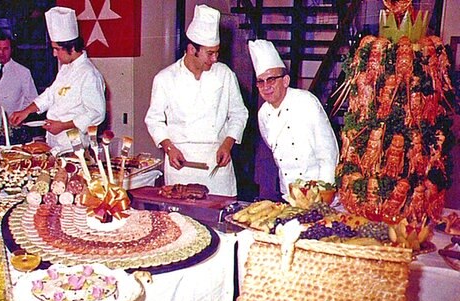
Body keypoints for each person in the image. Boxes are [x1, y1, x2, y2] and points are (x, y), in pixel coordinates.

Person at [145, 5, 248, 197]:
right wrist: (169, 147)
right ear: (192, 49)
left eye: (217, 52)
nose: (215, 58)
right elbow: (154, 119)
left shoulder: (225, 74)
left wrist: (228, 142)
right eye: (210, 53)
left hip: (217, 162)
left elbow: (239, 112)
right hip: (181, 164)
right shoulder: (165, 78)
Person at [248, 39, 339, 197]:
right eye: (260, 82)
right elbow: (273, 150)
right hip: (289, 194)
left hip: (320, 190)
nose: (266, 86)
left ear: (285, 80)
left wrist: (324, 194)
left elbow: (329, 152)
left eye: (271, 79)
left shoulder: (307, 102)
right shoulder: (263, 114)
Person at [9, 6, 106, 153]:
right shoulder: (66, 68)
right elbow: (50, 95)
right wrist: (26, 111)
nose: (54, 54)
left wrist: (62, 125)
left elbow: (96, 113)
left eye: (57, 49)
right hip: (55, 140)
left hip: (74, 145)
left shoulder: (89, 75)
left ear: (72, 48)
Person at [0, 33, 38, 129]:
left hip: (13, 124)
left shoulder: (23, 72)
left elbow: (32, 98)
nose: (1, 52)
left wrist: (19, 113)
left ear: (11, 49)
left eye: (5, 49)